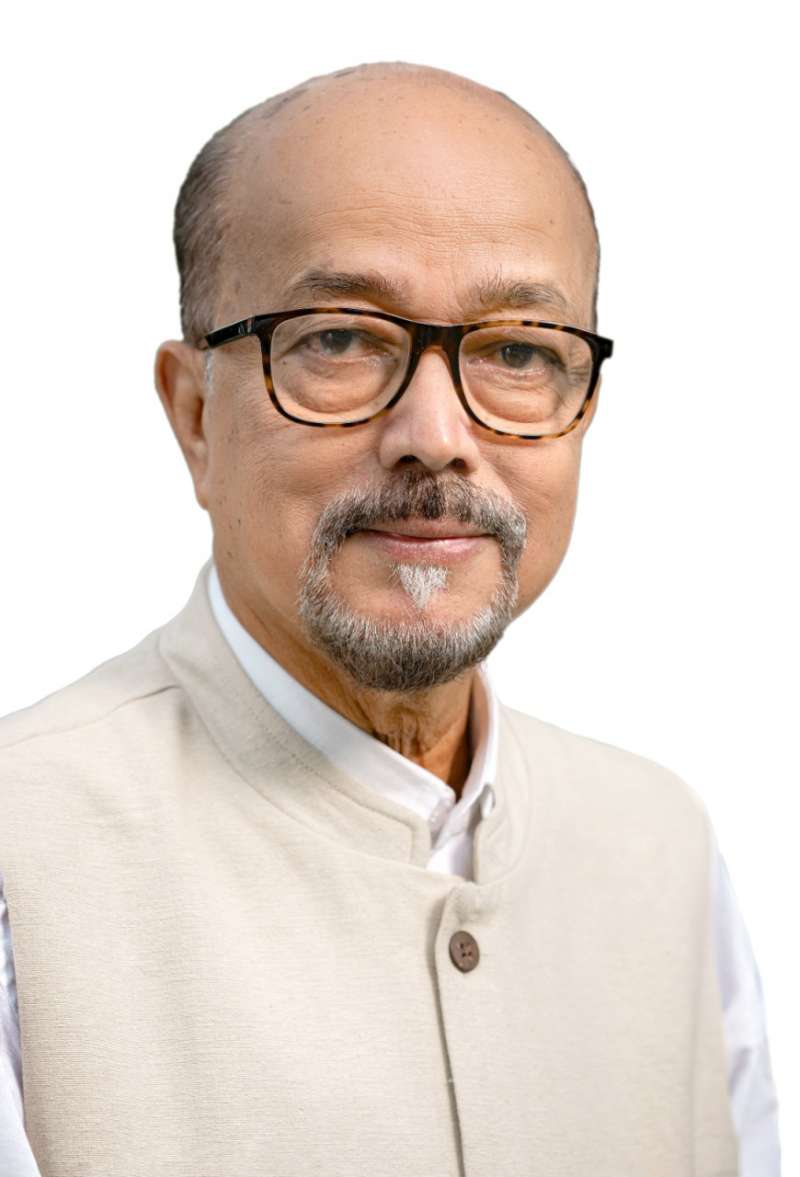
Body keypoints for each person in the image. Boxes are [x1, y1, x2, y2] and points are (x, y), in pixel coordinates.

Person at [0, 61, 781, 1176]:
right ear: (194, 416)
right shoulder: (23, 865)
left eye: (516, 351)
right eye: (338, 340)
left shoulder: (664, 850)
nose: (435, 435)